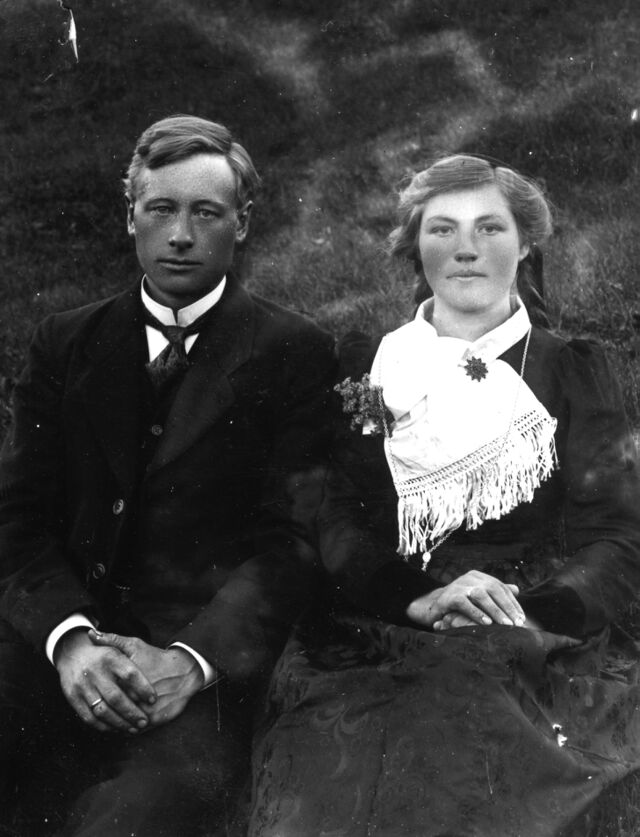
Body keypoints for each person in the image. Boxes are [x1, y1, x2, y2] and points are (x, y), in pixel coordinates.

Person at [246, 155, 640, 837]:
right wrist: (416, 598)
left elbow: (618, 535)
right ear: (415, 245)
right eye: (442, 229)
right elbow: (336, 516)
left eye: (490, 227)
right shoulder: (372, 366)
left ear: (526, 243)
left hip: (527, 618)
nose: (465, 248)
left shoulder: (569, 367)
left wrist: (528, 610)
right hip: (386, 614)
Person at [0, 114, 336, 837]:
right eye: (160, 209)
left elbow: (292, 543)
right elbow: (16, 518)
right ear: (131, 217)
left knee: (136, 818)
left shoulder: (296, 350)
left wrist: (191, 659)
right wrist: (70, 639)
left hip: (197, 672)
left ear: (243, 224)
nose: (180, 235)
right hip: (58, 648)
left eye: (206, 213)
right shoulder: (66, 341)